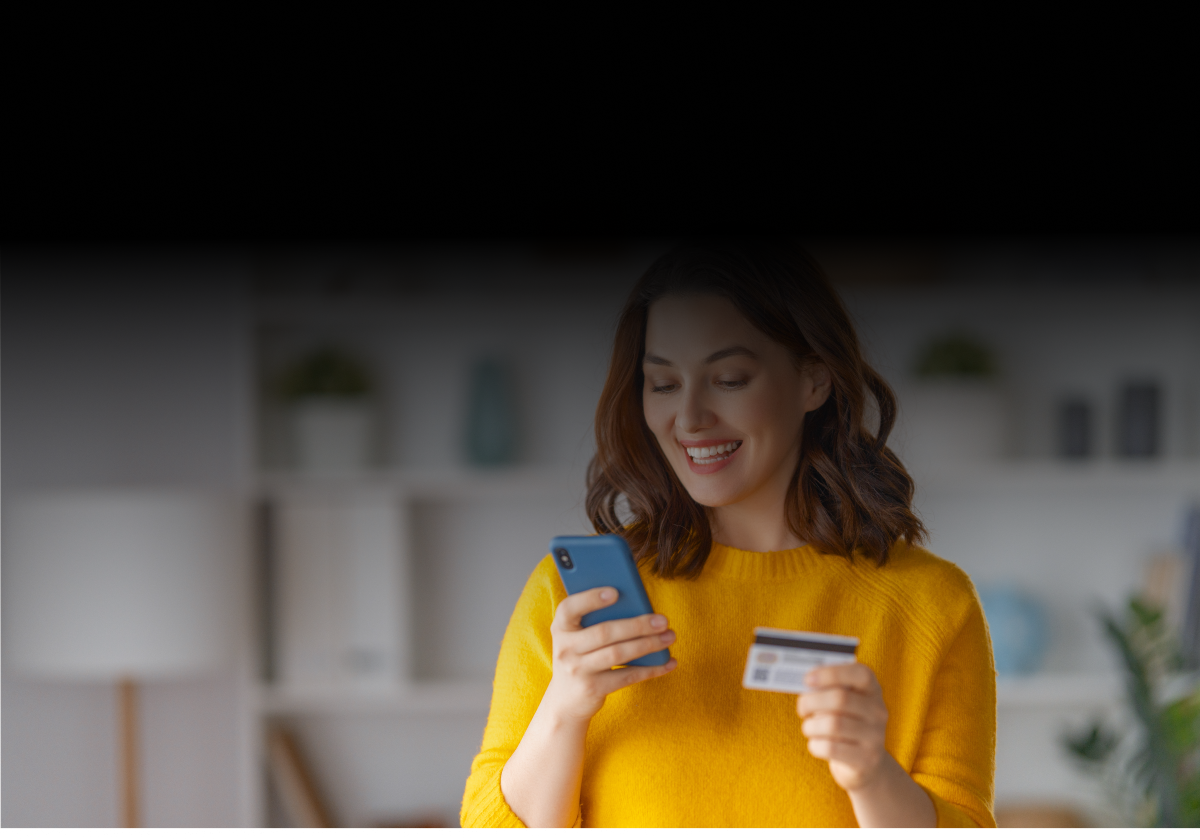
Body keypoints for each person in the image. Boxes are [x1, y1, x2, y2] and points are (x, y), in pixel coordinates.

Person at [460, 241, 996, 829]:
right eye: (663, 384)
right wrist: (563, 711)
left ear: (814, 379)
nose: (689, 418)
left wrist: (872, 774)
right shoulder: (574, 603)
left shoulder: (934, 606)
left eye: (730, 379)